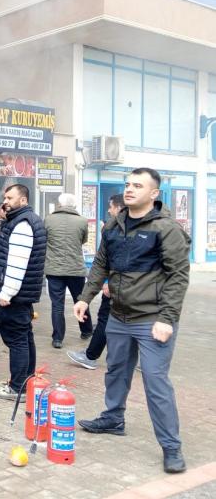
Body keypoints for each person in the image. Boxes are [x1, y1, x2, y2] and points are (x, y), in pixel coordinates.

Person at [74, 169, 190, 474]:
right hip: (119, 315)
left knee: (155, 381)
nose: (129, 189)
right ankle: (113, 418)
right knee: (116, 371)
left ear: (154, 193)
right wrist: (85, 297)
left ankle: (171, 447)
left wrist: (167, 318)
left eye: (138, 186)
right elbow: (101, 263)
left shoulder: (166, 228)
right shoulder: (115, 224)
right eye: (127, 184)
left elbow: (178, 276)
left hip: (152, 319)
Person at [0, 184, 47, 400]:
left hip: (15, 295)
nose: (5, 201)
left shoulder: (23, 224)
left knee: (17, 339)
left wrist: (7, 293)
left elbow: (17, 262)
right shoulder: (21, 220)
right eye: (5, 197)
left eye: (10, 198)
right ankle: (26, 381)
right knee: (24, 336)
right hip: (21, 294)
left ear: (23, 200)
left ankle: (18, 386)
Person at [68, 194, 125, 370]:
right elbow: (102, 262)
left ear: (119, 207)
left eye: (111, 207)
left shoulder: (158, 227)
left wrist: (109, 282)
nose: (109, 210)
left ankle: (91, 355)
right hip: (112, 285)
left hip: (126, 292)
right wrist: (85, 298)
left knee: (106, 319)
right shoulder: (110, 227)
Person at [44, 193, 94, 349]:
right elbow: (83, 240)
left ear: (59, 204)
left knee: (57, 305)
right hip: (76, 269)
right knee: (81, 300)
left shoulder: (48, 219)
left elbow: (45, 239)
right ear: (74, 205)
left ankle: (58, 338)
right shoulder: (82, 221)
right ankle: (86, 331)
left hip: (54, 270)